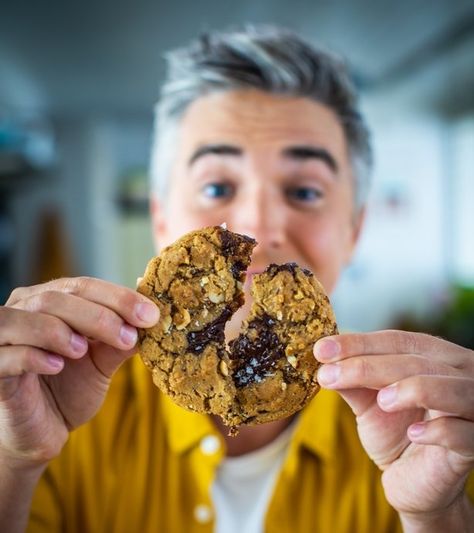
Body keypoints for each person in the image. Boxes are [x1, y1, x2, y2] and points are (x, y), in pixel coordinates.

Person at [1, 26, 473, 533]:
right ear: (161, 222)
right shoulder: (56, 416)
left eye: (305, 192)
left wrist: (436, 514)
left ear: (353, 231)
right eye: (218, 185)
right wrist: (12, 462)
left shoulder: (428, 439)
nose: (257, 224)